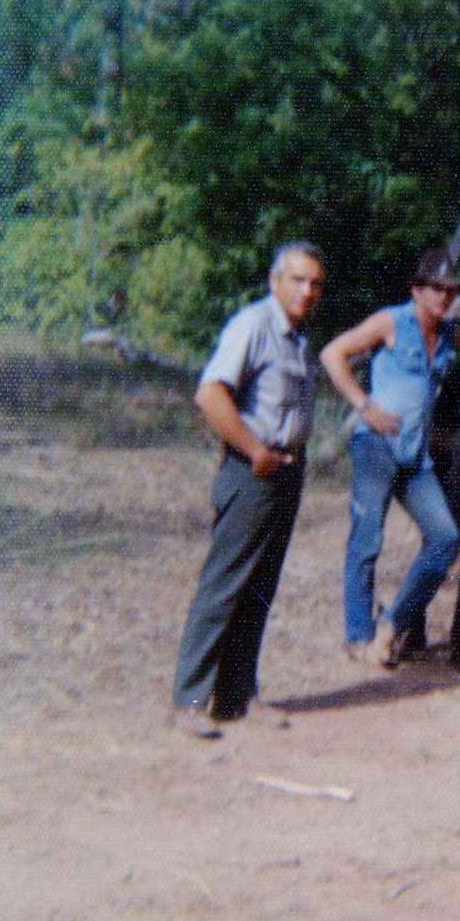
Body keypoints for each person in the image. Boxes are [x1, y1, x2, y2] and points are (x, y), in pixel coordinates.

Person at [321, 248, 460, 668]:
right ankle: (358, 636)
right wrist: (364, 405)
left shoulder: (446, 335)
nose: (444, 297)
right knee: (367, 541)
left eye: (450, 291)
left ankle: (393, 623)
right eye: (436, 289)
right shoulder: (391, 322)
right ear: (417, 290)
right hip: (376, 446)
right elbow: (332, 354)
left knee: (445, 538)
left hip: (414, 456)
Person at [171, 241, 327, 737]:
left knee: (259, 587)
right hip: (251, 471)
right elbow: (210, 394)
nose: (307, 291)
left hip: (286, 471)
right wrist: (254, 449)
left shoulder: (298, 339)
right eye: (297, 279)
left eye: (315, 283)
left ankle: (237, 695)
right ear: (274, 281)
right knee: (224, 585)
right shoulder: (253, 326)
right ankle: (190, 700)